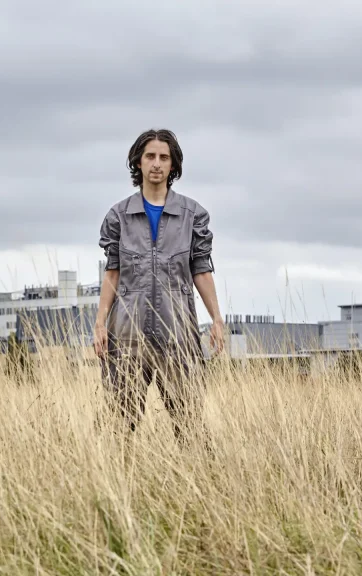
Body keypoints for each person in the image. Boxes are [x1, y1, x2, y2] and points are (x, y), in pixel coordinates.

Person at [94, 128, 225, 443]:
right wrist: (100, 322)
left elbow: (201, 270)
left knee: (189, 425)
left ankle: (192, 474)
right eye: (150, 156)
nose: (156, 163)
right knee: (119, 426)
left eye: (164, 157)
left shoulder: (193, 215)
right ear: (138, 162)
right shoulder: (119, 216)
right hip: (127, 335)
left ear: (173, 165)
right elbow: (113, 272)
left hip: (177, 334)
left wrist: (217, 319)